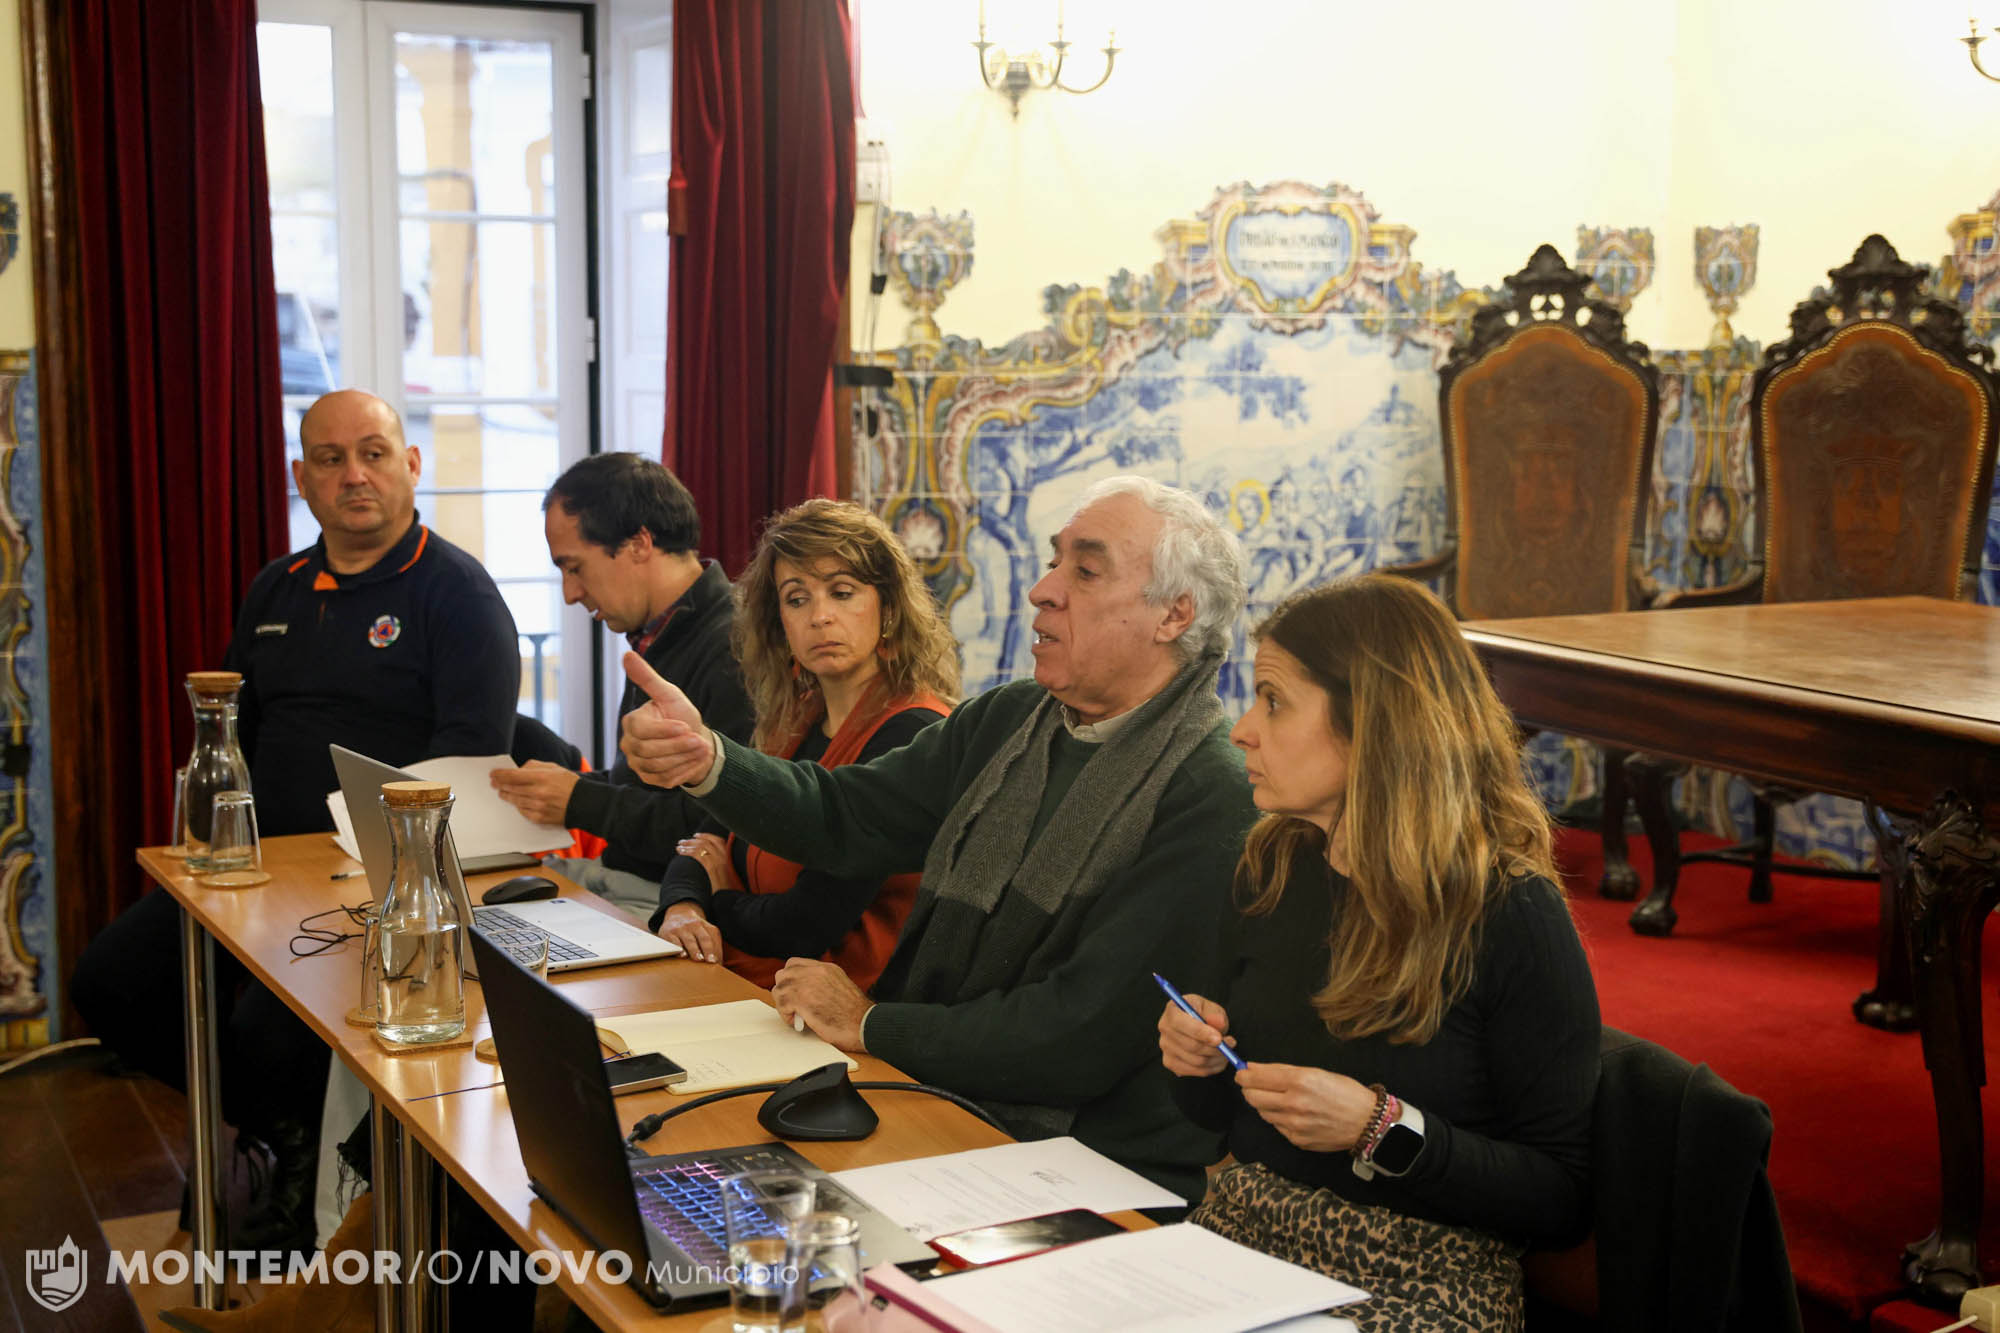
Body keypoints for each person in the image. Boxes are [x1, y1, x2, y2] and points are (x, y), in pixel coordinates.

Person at [621, 475, 1258, 1200]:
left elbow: (1078, 1033)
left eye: (1084, 570)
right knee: (684, 1186)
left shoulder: (1209, 790)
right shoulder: (1011, 718)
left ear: (1174, 614)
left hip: (1084, 1161)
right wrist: (708, 758)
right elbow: (847, 815)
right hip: (938, 1096)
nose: (1042, 590)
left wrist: (872, 1023)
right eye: (1054, 561)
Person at [72, 388, 521, 1252]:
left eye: (374, 453)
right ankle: (288, 1128)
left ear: (410, 465)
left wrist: (377, 865)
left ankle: (306, 1150)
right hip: (253, 868)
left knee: (266, 1030)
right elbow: (236, 731)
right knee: (111, 981)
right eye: (330, 458)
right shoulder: (275, 586)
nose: (355, 474)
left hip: (375, 879)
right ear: (300, 477)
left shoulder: (458, 592)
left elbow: (467, 764)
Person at [1156, 574, 1600, 1333]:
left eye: (1273, 700)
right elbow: (1223, 1121)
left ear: (1373, 722)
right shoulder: (1273, 868)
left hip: (1421, 1276)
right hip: (1245, 1240)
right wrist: (1194, 1059)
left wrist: (1381, 1128)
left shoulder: (1509, 909)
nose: (1242, 731)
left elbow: (1561, 1198)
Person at [649, 499, 958, 989]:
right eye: (797, 599)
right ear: (780, 623)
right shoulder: (794, 719)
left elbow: (806, 924)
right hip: (749, 977)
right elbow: (703, 840)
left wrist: (720, 899)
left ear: (889, 609)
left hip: (841, 1005)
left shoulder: (913, 730)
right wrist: (683, 907)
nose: (820, 616)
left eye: (842, 592)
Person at [489, 452, 753, 920]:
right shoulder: (662, 634)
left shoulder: (735, 647)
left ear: (638, 544)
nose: (570, 593)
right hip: (619, 878)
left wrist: (579, 800)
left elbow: (717, 827)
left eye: (574, 567)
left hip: (672, 898)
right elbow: (650, 792)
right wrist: (559, 789)